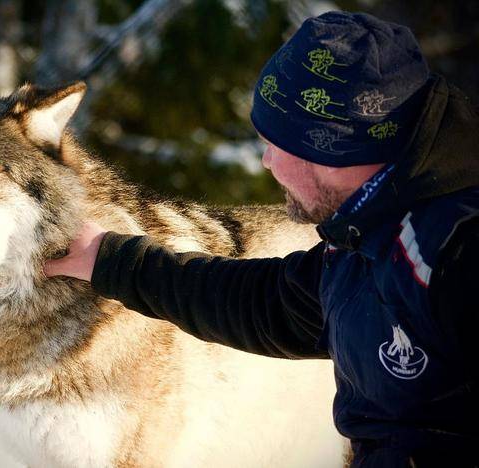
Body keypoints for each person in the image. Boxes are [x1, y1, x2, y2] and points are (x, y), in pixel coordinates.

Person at [43, 11, 479, 467]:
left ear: (335, 149)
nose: (266, 163)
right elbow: (269, 303)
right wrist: (110, 261)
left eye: (277, 144)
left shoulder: (456, 252)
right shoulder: (367, 230)